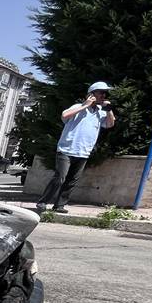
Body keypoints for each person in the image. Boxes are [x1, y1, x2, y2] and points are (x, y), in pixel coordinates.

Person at [36, 81, 116, 213]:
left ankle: (59, 205)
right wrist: (85, 105)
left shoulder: (101, 112)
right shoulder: (78, 107)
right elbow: (64, 116)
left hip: (84, 152)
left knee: (72, 180)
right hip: (66, 150)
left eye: (105, 93)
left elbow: (110, 124)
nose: (104, 95)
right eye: (101, 92)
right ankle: (43, 202)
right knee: (60, 177)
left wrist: (109, 110)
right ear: (92, 94)